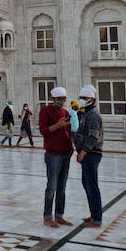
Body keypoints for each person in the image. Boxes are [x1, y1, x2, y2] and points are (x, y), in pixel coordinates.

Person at [38, 86, 74, 228]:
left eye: (64, 99)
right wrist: (58, 125)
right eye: (59, 99)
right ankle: (47, 217)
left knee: (62, 187)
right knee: (51, 187)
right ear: (53, 99)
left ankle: (59, 215)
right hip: (53, 154)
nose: (62, 101)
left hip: (66, 153)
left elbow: (69, 132)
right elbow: (43, 131)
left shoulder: (65, 112)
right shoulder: (46, 111)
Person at [74, 84, 103, 227]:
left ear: (91, 99)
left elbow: (93, 137)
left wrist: (83, 152)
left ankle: (97, 219)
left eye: (84, 98)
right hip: (86, 154)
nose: (81, 100)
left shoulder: (93, 115)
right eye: (81, 98)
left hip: (91, 153)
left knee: (92, 185)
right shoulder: (85, 112)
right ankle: (93, 215)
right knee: (87, 184)